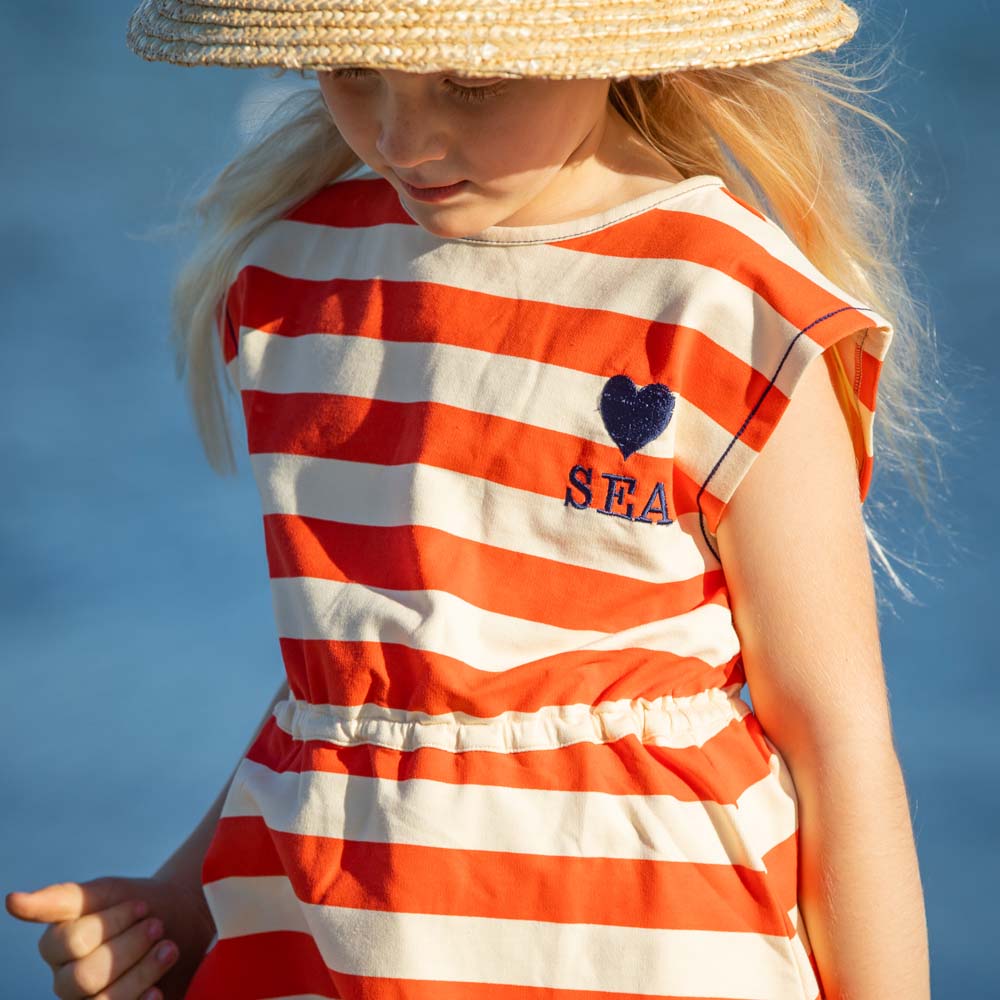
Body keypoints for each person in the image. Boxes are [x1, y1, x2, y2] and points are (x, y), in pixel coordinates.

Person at [6, 1, 938, 998]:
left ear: (611, 45)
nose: (400, 138)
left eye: (473, 83)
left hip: (647, 945)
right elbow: (353, 683)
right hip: (330, 943)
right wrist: (182, 907)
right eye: (354, 72)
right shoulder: (291, 279)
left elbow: (835, 739)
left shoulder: (723, 302)